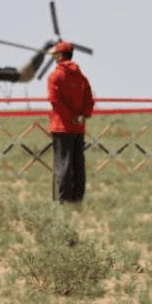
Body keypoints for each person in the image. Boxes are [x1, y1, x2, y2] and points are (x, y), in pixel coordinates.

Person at [46, 40, 95, 203]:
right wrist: (82, 116)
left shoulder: (55, 76)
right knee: (78, 164)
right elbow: (89, 99)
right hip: (78, 127)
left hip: (61, 127)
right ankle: (77, 199)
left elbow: (54, 101)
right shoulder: (81, 77)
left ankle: (62, 201)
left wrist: (70, 117)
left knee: (62, 165)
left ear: (60, 56)